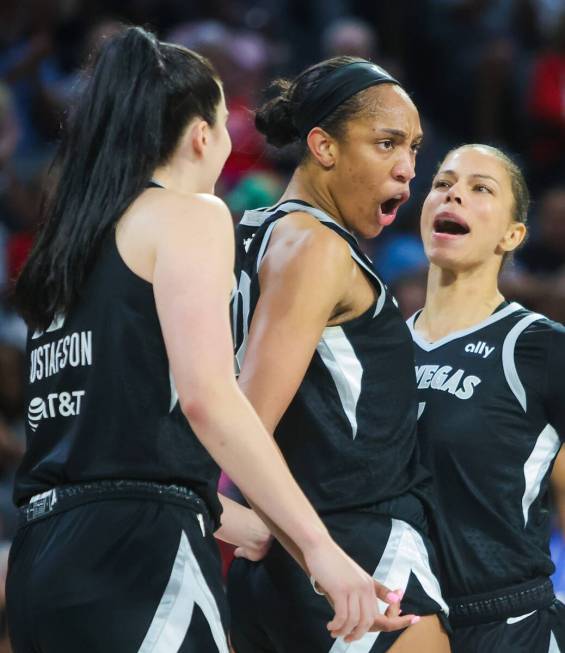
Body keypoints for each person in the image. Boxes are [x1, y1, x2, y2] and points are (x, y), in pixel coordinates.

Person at [5, 27, 407, 653]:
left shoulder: (68, 249)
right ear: (200, 134)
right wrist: (320, 549)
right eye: (225, 125)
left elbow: (106, 434)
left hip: (43, 559)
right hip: (140, 556)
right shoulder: (192, 214)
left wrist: (223, 513)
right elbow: (209, 399)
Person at [228, 56, 450, 653]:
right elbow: (241, 423)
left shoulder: (252, 234)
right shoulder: (315, 247)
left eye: (413, 148)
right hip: (354, 554)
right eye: (386, 143)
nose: (408, 171)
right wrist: (225, 508)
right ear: (323, 146)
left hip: (281, 568)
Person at [407, 143, 565, 652]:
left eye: (481, 189)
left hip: (508, 623)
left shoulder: (539, 346)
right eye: (443, 183)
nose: (454, 194)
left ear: (512, 235)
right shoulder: (378, 347)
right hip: (399, 622)